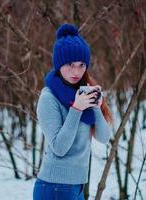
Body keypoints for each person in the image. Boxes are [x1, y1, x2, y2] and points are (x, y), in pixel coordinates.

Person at [33, 23, 113, 200]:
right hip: (54, 187)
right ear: (59, 64)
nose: (76, 71)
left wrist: (96, 107)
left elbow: (104, 137)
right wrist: (76, 109)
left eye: (81, 64)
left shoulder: (84, 91)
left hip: (76, 186)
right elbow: (60, 148)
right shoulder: (49, 98)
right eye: (70, 64)